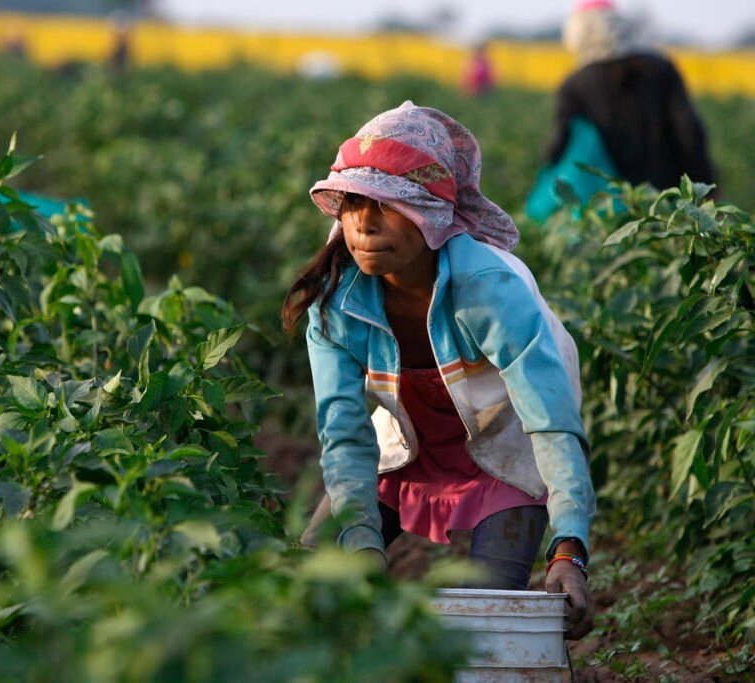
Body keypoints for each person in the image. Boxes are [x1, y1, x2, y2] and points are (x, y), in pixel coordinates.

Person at [282, 101, 596, 640]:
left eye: (386, 204)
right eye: (353, 202)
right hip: (403, 447)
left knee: (487, 621)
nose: (363, 222)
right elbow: (345, 437)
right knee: (314, 575)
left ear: (431, 213)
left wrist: (569, 550)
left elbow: (552, 427)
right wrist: (361, 546)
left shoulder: (492, 292)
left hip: (505, 451)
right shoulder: (335, 298)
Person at [528, 0, 716, 220]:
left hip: (611, 207)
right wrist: (707, 188)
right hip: (668, 202)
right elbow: (690, 134)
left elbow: (559, 150)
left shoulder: (575, 85)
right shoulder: (661, 69)